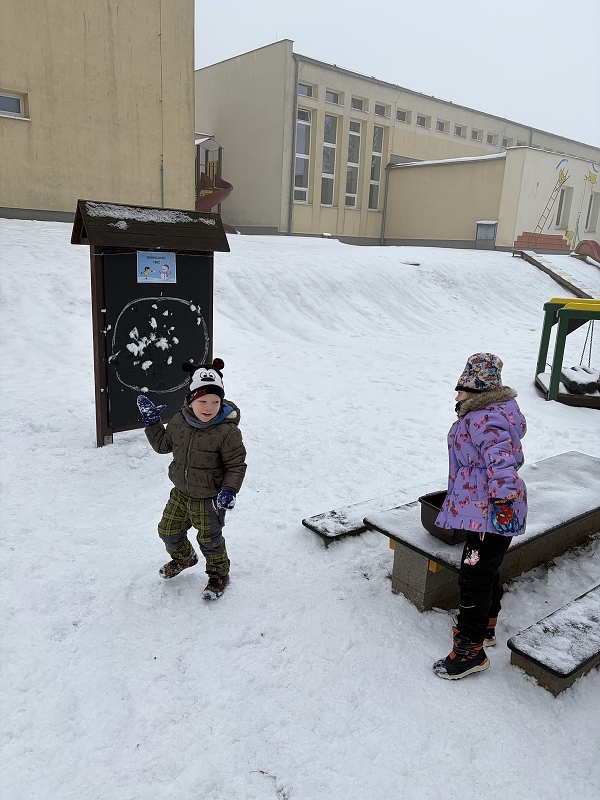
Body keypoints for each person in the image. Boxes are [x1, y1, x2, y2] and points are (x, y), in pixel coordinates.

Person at [432, 353, 527, 679]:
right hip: (485, 513)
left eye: (462, 390)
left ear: (478, 391)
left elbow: (501, 464)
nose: (456, 396)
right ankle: (485, 627)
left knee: (472, 576)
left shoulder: (484, 419)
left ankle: (470, 650)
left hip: (490, 515)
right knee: (485, 570)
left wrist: (500, 504)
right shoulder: (491, 414)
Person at [136, 358, 247, 599]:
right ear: (191, 400)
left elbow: (236, 464)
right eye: (203, 401)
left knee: (210, 541)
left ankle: (218, 575)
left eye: (215, 402)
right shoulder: (179, 421)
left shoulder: (227, 431)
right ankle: (184, 557)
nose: (209, 407)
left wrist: (229, 490)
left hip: (209, 499)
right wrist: (153, 423)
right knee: (168, 531)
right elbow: (163, 445)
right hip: (180, 493)